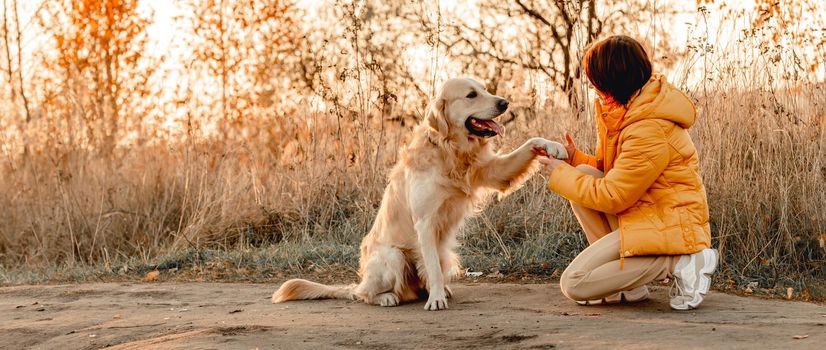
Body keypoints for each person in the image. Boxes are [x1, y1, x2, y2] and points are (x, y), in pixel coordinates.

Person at [539, 35, 718, 310]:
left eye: (593, 76)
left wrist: (559, 174)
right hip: (649, 216)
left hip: (670, 229)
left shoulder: (648, 127)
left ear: (609, 80)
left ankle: (681, 260)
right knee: (585, 171)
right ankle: (629, 287)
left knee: (575, 283)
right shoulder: (628, 110)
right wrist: (573, 158)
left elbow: (614, 196)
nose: (589, 83)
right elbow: (616, 174)